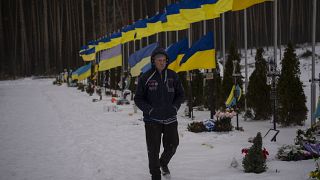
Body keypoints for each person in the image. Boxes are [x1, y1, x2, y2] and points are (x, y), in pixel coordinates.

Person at [134, 47, 184, 180]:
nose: (162, 62)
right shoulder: (146, 77)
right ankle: (155, 175)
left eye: (164, 60)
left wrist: (175, 107)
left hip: (170, 118)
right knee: (153, 151)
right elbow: (138, 98)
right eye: (159, 60)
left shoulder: (173, 75)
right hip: (152, 121)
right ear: (153, 61)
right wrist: (149, 110)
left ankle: (163, 162)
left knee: (173, 145)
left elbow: (181, 95)